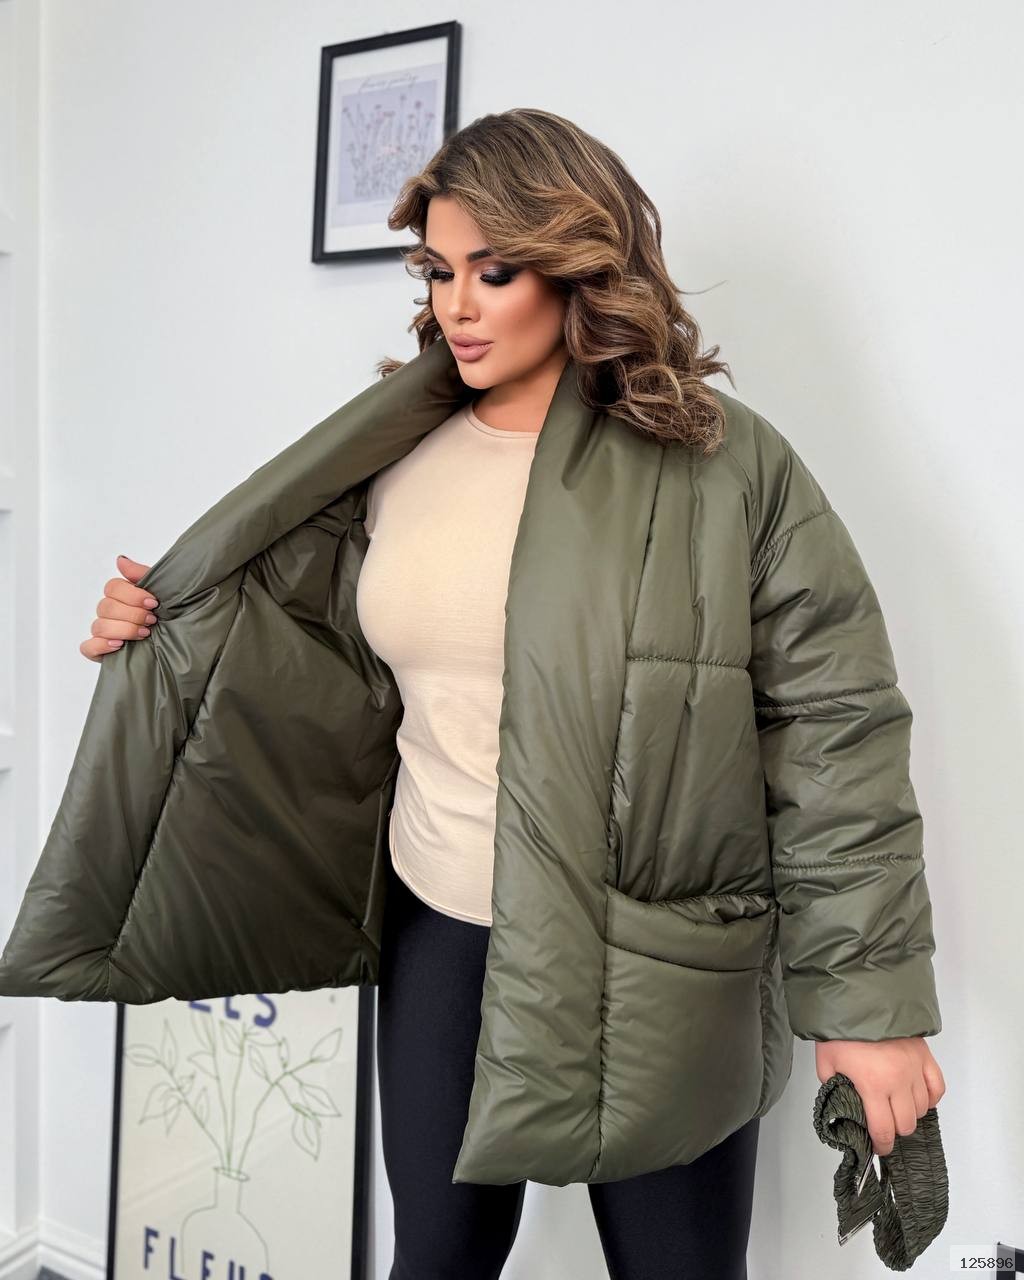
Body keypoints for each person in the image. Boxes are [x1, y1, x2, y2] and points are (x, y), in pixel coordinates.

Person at [74, 108, 945, 1279]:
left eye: (494, 270)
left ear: (579, 267)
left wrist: (871, 1005)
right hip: (440, 920)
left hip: (656, 950)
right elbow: (307, 656)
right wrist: (160, 627)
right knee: (434, 1256)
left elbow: (834, 730)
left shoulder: (723, 463)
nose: (458, 306)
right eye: (438, 272)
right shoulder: (391, 449)